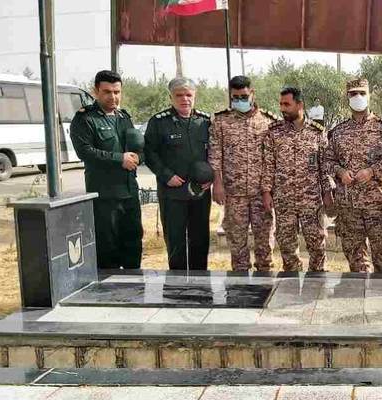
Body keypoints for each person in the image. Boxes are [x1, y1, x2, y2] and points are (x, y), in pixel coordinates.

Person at [323, 78, 382, 273]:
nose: (357, 97)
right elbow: (327, 161)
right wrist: (340, 172)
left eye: (362, 93)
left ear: (369, 95)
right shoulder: (338, 132)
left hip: (377, 206)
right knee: (356, 264)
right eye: (353, 94)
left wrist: (372, 171)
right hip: (348, 207)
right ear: (347, 97)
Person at [70, 70, 143, 269]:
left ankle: (134, 284)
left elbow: (136, 147)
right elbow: (85, 152)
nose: (113, 97)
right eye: (107, 92)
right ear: (96, 91)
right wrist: (120, 159)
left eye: (117, 92)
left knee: (133, 242)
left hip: (129, 192)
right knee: (107, 247)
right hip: (105, 196)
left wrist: (138, 157)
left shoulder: (123, 117)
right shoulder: (85, 118)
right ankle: (110, 286)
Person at [209, 75, 278, 271]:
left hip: (261, 194)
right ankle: (240, 286)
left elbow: (273, 159)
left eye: (244, 96)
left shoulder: (268, 121)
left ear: (252, 93)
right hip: (234, 194)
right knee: (237, 245)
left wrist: (270, 190)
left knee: (265, 245)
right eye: (236, 97)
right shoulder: (221, 121)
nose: (240, 100)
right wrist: (217, 184)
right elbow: (215, 155)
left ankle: (265, 283)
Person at [144, 77, 213, 271]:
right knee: (176, 243)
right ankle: (177, 284)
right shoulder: (159, 122)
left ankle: (201, 284)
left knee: (200, 241)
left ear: (195, 96)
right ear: (171, 97)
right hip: (172, 193)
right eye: (179, 95)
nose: (185, 99)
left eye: (188, 94)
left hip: (199, 192)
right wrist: (166, 175)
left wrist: (210, 177)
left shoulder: (205, 122)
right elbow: (149, 153)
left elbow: (214, 152)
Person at [261, 87, 331, 272]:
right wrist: (266, 192)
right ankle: (291, 283)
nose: (282, 109)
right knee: (287, 247)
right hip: (284, 201)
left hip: (311, 201)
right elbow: (269, 164)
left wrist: (327, 193)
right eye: (281, 104)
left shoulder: (317, 132)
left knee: (317, 246)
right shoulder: (274, 132)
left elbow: (324, 166)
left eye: (287, 104)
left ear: (300, 105)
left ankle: (317, 282)